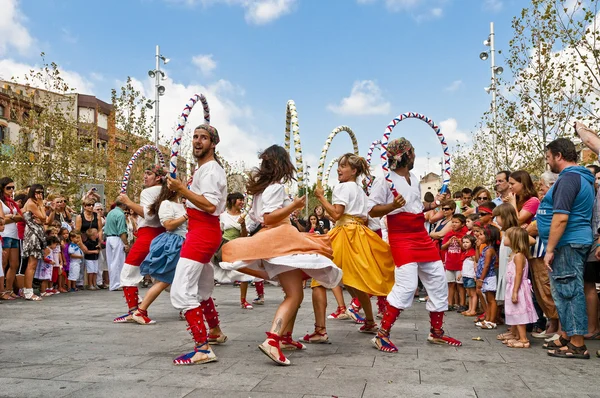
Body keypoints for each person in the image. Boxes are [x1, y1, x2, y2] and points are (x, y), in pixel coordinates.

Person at [220, 145, 342, 366]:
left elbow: (259, 219)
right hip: (281, 241)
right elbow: (269, 217)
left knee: (295, 293)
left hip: (277, 241)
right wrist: (293, 205)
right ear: (282, 164)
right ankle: (273, 340)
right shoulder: (275, 187)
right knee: (294, 295)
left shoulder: (261, 190)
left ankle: (285, 338)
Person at [368, 137, 461, 352]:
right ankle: (382, 335)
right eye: (413, 152)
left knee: (438, 278)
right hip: (401, 237)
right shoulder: (385, 180)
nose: (415, 156)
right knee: (407, 285)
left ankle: (437, 332)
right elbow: (372, 210)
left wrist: (436, 202)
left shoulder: (414, 177)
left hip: (420, 234)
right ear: (407, 155)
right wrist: (392, 205)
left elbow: (417, 207)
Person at [304, 153, 394, 343]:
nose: (339, 169)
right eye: (339, 165)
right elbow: (367, 218)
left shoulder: (342, 187)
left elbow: (337, 214)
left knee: (318, 278)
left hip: (344, 234)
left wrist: (321, 197)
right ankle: (370, 321)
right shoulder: (361, 191)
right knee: (356, 281)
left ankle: (320, 330)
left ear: (354, 171)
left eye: (343, 166)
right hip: (359, 234)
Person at [167, 124, 227, 365]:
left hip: (202, 232)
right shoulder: (203, 169)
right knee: (201, 287)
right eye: (194, 137)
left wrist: (182, 189)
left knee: (181, 289)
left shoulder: (211, 170)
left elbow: (210, 206)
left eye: (203, 138)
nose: (197, 141)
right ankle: (214, 331)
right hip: (200, 231)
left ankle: (202, 348)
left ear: (213, 143)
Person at [538, 135, 594, 359]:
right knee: (565, 291)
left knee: (570, 291)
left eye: (549, 158)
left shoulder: (569, 178)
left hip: (568, 242)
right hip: (570, 241)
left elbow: (561, 217)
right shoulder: (578, 177)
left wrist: (549, 248)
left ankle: (578, 343)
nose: (548, 163)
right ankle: (570, 336)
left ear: (559, 156)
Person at [113, 165, 166, 323]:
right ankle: (188, 306)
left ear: (158, 177)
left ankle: (134, 311)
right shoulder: (167, 193)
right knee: (164, 276)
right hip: (162, 236)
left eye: (148, 174)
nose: (145, 176)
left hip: (148, 236)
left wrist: (128, 202)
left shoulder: (148, 192)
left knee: (128, 273)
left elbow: (149, 216)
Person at [133, 181, 188, 324]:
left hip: (183, 242)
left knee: (184, 277)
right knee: (165, 279)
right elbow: (168, 225)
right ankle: (141, 310)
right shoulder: (166, 204)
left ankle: (186, 308)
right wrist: (186, 217)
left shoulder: (181, 204)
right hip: (175, 243)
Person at [213, 192, 264, 309]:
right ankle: (208, 298)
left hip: (239, 245)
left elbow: (245, 236)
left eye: (242, 200)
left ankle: (243, 300)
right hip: (224, 245)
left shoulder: (245, 216)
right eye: (239, 200)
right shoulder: (223, 216)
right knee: (215, 270)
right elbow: (219, 232)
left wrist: (242, 225)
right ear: (232, 201)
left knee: (244, 271)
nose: (242, 202)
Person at [497, 227, 538, 348]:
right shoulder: (513, 254)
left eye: (507, 236)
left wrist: (515, 291)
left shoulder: (519, 256)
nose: (504, 238)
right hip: (513, 286)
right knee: (514, 312)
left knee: (519, 312)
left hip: (518, 287)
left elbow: (519, 274)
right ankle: (516, 335)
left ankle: (524, 339)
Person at [22, 184, 48, 301]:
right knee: (31, 264)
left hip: (37, 233)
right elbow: (43, 217)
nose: (40, 195)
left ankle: (28, 290)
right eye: (37, 192)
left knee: (33, 264)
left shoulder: (34, 203)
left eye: (41, 192)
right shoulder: (31, 203)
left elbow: (43, 220)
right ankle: (28, 291)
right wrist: (42, 206)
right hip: (33, 234)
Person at [0, 177, 23, 299]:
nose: (11, 190)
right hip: (4, 234)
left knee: (14, 263)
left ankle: (9, 289)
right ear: (2, 188)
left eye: (13, 187)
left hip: (14, 234)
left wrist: (11, 217)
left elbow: (20, 216)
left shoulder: (12, 201)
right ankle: (2, 291)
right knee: (3, 263)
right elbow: (2, 220)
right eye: (8, 187)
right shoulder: (0, 201)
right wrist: (12, 217)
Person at [475, 224, 501, 330]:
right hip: (486, 277)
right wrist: (477, 248)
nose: (478, 236)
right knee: (488, 300)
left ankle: (492, 321)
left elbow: (486, 265)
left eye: (481, 234)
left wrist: (481, 279)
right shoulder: (485, 248)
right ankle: (488, 319)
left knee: (491, 300)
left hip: (489, 277)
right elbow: (478, 260)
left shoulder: (490, 250)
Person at [441, 214, 468, 312]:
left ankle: (462, 304)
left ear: (462, 224)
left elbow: (466, 248)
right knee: (450, 284)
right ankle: (449, 303)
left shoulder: (464, 235)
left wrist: (460, 242)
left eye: (456, 222)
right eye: (453, 222)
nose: (454, 224)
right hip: (450, 263)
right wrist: (448, 243)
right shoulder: (448, 234)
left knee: (460, 285)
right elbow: (442, 247)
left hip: (459, 264)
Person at [104, 200, 129, 291]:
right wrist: (126, 243)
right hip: (117, 238)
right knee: (118, 262)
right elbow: (122, 231)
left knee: (111, 262)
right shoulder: (120, 214)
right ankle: (116, 284)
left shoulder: (110, 212)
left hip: (109, 238)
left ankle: (113, 283)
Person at [460, 234, 478, 316]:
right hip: (465, 275)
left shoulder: (473, 253)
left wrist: (475, 275)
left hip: (471, 275)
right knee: (469, 294)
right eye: (463, 242)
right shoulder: (465, 253)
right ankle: (470, 309)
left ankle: (473, 309)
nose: (465, 244)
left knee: (473, 293)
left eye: (467, 242)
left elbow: (476, 264)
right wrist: (461, 274)